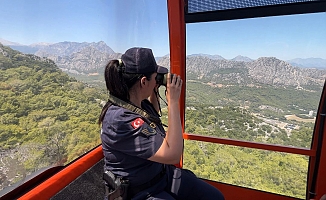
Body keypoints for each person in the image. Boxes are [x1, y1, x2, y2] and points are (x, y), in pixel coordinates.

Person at [99, 47, 224, 200]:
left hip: (161, 176)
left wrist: (154, 91)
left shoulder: (136, 103)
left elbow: (153, 118)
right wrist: (172, 101)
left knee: (214, 197)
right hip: (139, 191)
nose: (157, 80)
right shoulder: (119, 119)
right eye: (155, 77)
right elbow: (173, 155)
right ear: (143, 81)